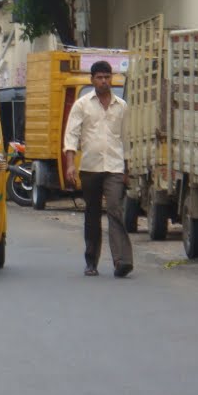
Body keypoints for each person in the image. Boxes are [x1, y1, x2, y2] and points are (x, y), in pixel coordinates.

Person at [63, 60, 134, 278]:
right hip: (90, 167)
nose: (104, 81)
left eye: (107, 77)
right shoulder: (82, 105)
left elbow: (127, 138)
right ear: (92, 79)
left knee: (115, 209)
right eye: (100, 77)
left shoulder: (121, 106)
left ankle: (122, 261)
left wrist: (127, 168)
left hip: (114, 167)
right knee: (92, 214)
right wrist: (70, 164)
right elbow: (72, 135)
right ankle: (91, 261)